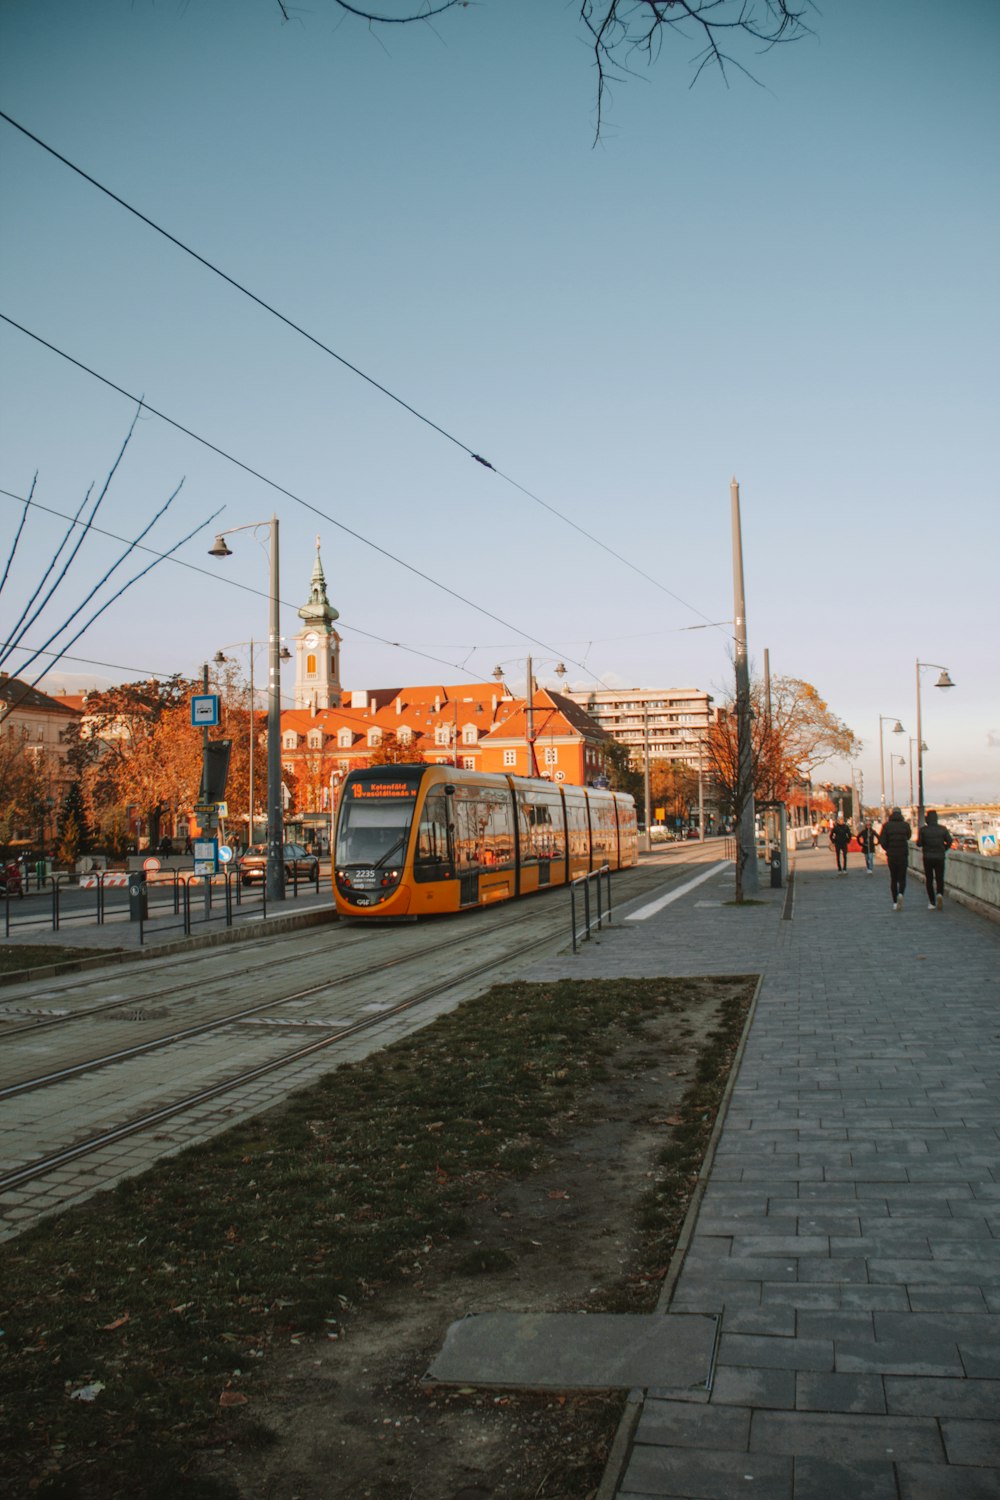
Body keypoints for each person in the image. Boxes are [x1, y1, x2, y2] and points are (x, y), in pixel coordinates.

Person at [917, 808, 953, 911]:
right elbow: (949, 841)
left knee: (929, 880)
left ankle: (932, 902)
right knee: (939, 878)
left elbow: (919, 843)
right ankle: (939, 894)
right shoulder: (943, 829)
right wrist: (943, 849)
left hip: (928, 857)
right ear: (936, 819)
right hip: (940, 857)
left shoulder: (923, 830)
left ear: (927, 819)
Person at [878, 807, 911, 911]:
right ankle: (901, 893)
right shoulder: (905, 825)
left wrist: (888, 848)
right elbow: (908, 836)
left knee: (893, 878)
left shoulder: (886, 826)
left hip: (892, 855)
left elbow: (882, 840)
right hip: (903, 854)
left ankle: (895, 902)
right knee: (902, 877)